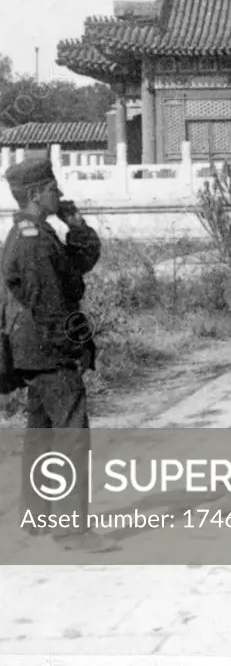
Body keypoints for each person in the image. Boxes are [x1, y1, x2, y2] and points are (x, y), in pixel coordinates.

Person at [1, 159, 118, 552]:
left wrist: (78, 226)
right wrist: (76, 346)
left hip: (34, 348)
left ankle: (39, 515)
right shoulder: (34, 239)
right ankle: (72, 530)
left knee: (42, 431)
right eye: (53, 188)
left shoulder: (36, 232)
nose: (60, 194)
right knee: (71, 434)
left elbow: (76, 267)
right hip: (49, 349)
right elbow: (52, 304)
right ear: (35, 194)